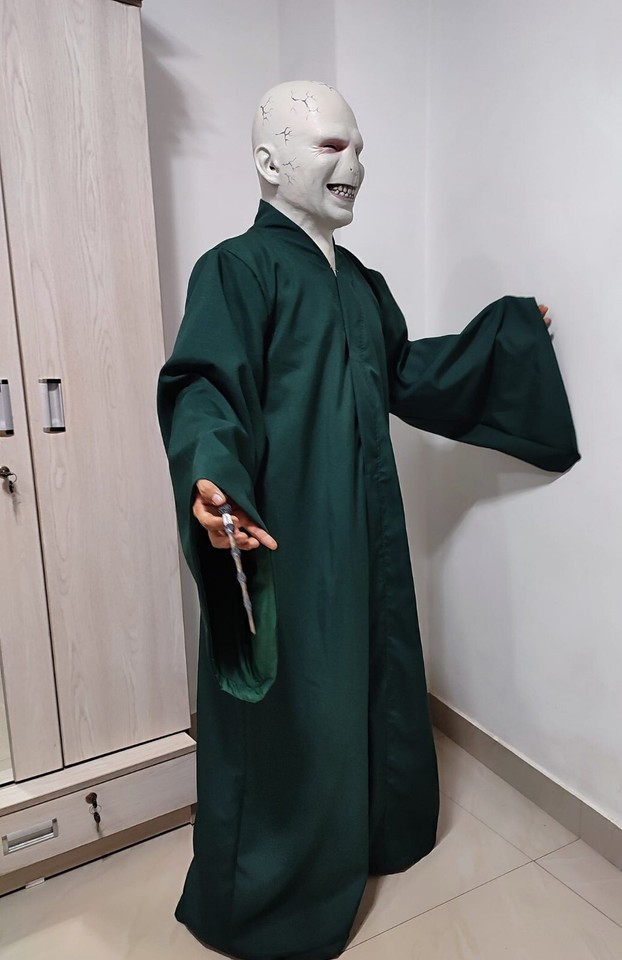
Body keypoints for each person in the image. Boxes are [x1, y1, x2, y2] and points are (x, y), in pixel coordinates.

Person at [157, 80, 579, 960]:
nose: (353, 164)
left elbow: (408, 374)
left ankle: (375, 831)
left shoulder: (363, 285)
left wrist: (506, 336)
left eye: (357, 147)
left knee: (375, 668)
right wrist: (213, 476)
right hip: (290, 533)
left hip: (370, 526)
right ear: (269, 162)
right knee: (295, 699)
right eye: (329, 147)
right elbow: (204, 385)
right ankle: (273, 887)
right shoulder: (236, 269)